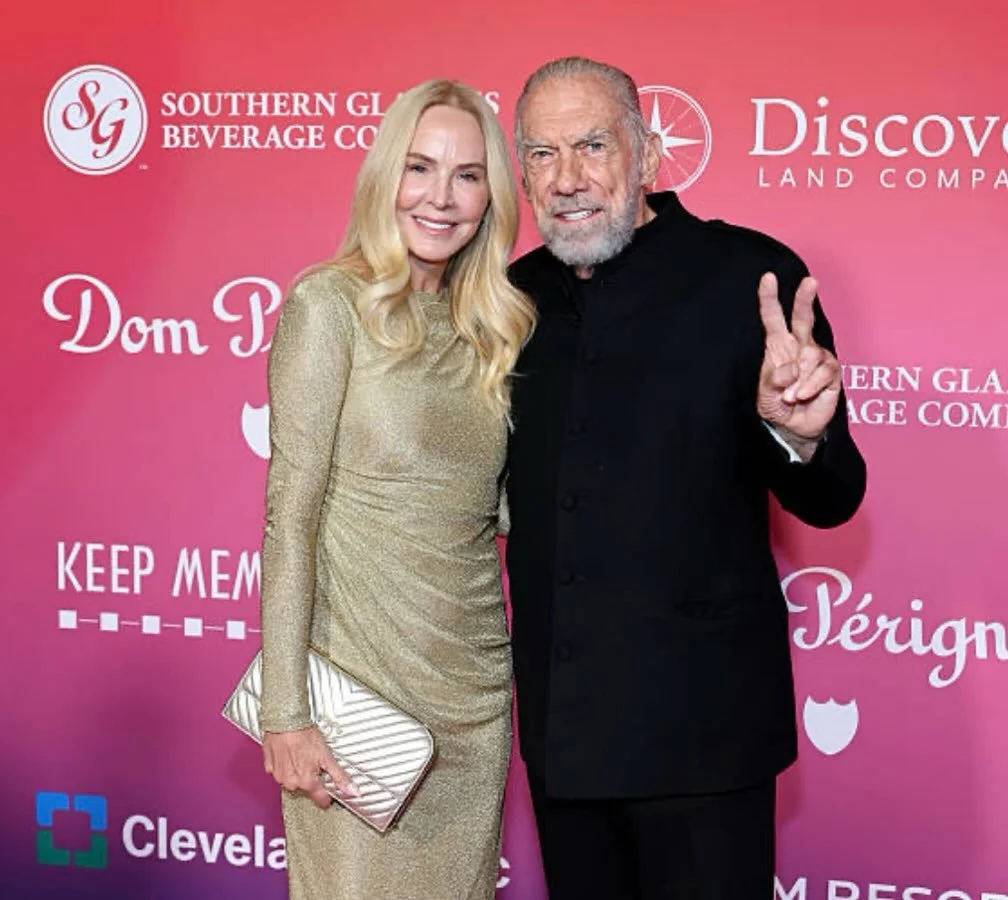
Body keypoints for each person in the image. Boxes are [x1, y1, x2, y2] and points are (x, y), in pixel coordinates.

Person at [503, 56, 867, 899]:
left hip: (707, 741)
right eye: (543, 154)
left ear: (649, 154)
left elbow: (835, 496)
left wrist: (800, 434)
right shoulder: (509, 300)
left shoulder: (750, 278)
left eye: (593, 145)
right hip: (565, 738)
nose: (568, 179)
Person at [257, 79, 535, 900]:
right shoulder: (328, 304)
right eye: (420, 168)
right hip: (356, 696)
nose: (441, 198)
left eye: (468, 174)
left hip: (474, 698)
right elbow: (289, 521)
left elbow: (499, 511)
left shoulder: (497, 327)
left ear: (492, 197)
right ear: (386, 178)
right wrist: (285, 711)